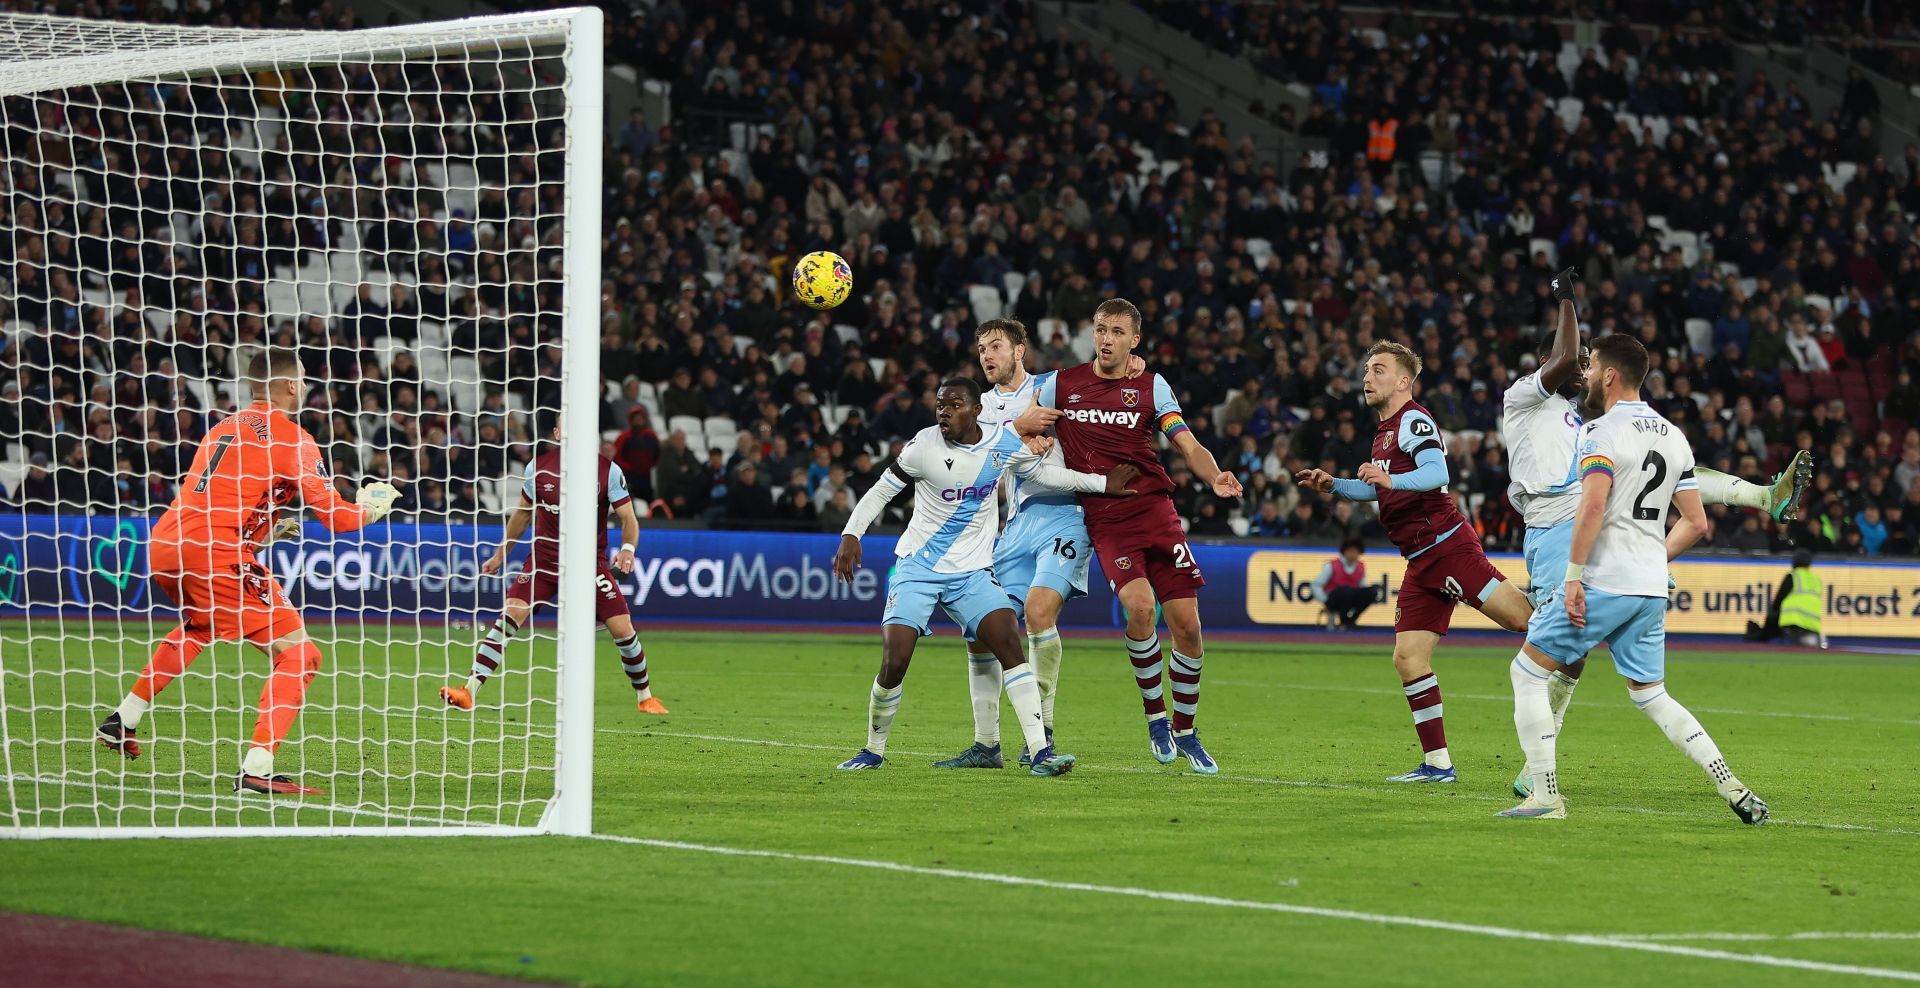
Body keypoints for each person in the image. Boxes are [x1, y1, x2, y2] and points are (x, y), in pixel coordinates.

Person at [1501, 268, 1813, 801]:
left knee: (1547, 659)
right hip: (1555, 524)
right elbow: (1564, 356)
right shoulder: (1526, 399)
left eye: (1590, 365)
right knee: (1571, 658)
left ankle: (1764, 495)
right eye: (1578, 363)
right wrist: (1568, 300)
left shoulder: (1593, 424)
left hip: (1579, 527)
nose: (1586, 370)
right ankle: (1537, 772)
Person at [96, 350, 401, 795]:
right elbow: (337, 518)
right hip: (216, 552)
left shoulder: (223, 427)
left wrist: (266, 532)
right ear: (292, 386)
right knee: (301, 654)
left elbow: (218, 500)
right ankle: (257, 767)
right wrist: (371, 508)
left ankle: (123, 719)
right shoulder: (293, 439)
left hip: (167, 544)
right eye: (302, 382)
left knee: (201, 626)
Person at [831, 378, 1139, 775]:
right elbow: (880, 491)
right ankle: (873, 750)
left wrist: (1102, 484)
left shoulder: (1002, 443)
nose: (943, 411)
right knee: (895, 660)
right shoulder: (923, 446)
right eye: (940, 404)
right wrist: (852, 533)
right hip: (918, 567)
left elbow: (1046, 477)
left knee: (1010, 643)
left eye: (954, 404)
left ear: (976, 410)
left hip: (973, 573)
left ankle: (1040, 752)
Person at [1015, 298, 1243, 774]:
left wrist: (1215, 475)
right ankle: (1156, 720)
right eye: (1101, 329)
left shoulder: (1152, 385)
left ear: (1133, 340)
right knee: (1141, 609)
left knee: (1189, 629)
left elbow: (1187, 442)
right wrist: (1030, 432)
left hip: (1157, 511)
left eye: (1117, 332)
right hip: (1108, 518)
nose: (1107, 339)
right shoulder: (1062, 383)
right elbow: (1018, 411)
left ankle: (1186, 730)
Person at [1296, 341, 1532, 784]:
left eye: (1379, 370)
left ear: (1404, 381)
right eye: (1367, 369)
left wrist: (1389, 477)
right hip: (1421, 562)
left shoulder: (1414, 419)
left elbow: (1436, 474)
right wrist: (1334, 486)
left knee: (1524, 622)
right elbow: (1376, 489)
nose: (1368, 377)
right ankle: (1438, 764)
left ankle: (1576, 599)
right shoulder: (1383, 431)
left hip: (1447, 548)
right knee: (1408, 658)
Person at [935, 318, 1143, 770]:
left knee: (1038, 611)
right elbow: (972, 454)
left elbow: (1103, 378)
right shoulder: (980, 406)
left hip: (1067, 513)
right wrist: (1017, 427)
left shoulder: (1053, 386)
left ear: (1019, 351)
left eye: (995, 347)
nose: (987, 356)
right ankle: (986, 745)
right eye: (981, 349)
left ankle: (1041, 733)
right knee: (980, 632)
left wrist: (1131, 364)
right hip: (1016, 524)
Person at [439, 422, 668, 717]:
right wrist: (500, 555)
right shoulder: (539, 467)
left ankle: (645, 697)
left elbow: (628, 518)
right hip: (544, 561)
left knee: (623, 630)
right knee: (511, 614)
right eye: (565, 428)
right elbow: (522, 515)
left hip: (589, 563)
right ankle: (468, 691)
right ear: (557, 433)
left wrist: (627, 549)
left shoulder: (607, 471)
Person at [1745, 549, 1825, 647]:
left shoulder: (1793, 576)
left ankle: (1759, 641)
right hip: (1813, 622)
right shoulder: (1816, 580)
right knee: (1809, 649)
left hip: (1794, 618)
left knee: (1794, 646)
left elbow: (1779, 599)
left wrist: (1772, 614)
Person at [1310, 539, 1376, 630]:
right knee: (1345, 591)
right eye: (1351, 551)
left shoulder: (1361, 567)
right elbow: (1316, 585)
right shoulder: (1332, 565)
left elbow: (1362, 587)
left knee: (1372, 592)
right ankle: (1343, 621)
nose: (1353, 555)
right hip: (1335, 599)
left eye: (1356, 552)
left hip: (1350, 598)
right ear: (1344, 552)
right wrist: (1325, 601)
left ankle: (1350, 621)